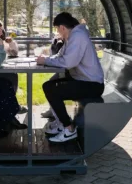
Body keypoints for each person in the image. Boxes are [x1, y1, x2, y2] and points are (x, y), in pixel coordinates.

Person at [36, 12, 104, 143]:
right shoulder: (72, 37)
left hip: (92, 84)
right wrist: (46, 59)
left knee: (52, 90)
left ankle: (69, 129)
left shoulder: (77, 37)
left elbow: (68, 63)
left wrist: (45, 61)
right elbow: (60, 56)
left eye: (57, 29)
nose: (58, 32)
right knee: (49, 85)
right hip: (83, 80)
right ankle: (62, 124)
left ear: (62, 27)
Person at [0, 19, 27, 114]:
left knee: (12, 75)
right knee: (12, 76)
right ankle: (11, 106)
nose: (2, 32)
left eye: (1, 30)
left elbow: (14, 53)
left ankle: (11, 105)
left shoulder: (0, 41)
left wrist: (11, 43)